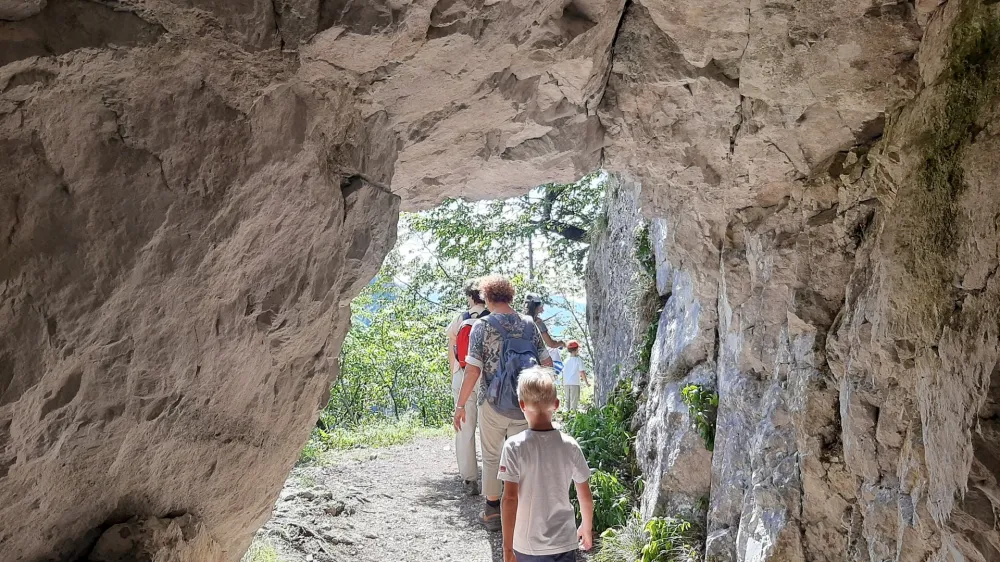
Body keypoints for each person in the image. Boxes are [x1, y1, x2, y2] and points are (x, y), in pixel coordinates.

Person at [454, 275, 553, 531]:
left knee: (491, 456)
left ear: (486, 297)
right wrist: (543, 401)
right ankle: (520, 507)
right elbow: (547, 364)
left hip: (492, 402)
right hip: (525, 404)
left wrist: (461, 405)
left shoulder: (482, 326)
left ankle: (492, 510)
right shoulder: (529, 324)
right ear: (511, 297)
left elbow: (473, 371)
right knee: (520, 456)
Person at [498, 366, 594, 562]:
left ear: (522, 405)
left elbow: (509, 499)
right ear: (556, 404)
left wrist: (508, 548)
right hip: (564, 542)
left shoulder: (514, 446)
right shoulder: (570, 445)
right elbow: (585, 495)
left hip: (527, 545)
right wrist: (586, 526)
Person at [446, 279, 489, 495]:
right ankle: (494, 481)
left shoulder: (460, 319)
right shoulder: (493, 318)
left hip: (462, 376)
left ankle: (469, 480)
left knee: (464, 428)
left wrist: (454, 373)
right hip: (486, 378)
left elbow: (451, 347)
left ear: (470, 297)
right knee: (491, 429)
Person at [561, 341, 590, 412]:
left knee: (567, 400)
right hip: (574, 383)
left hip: (566, 383)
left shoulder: (566, 360)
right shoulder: (578, 360)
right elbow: (582, 372)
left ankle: (566, 414)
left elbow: (563, 372)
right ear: (576, 350)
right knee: (574, 400)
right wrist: (586, 383)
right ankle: (572, 416)